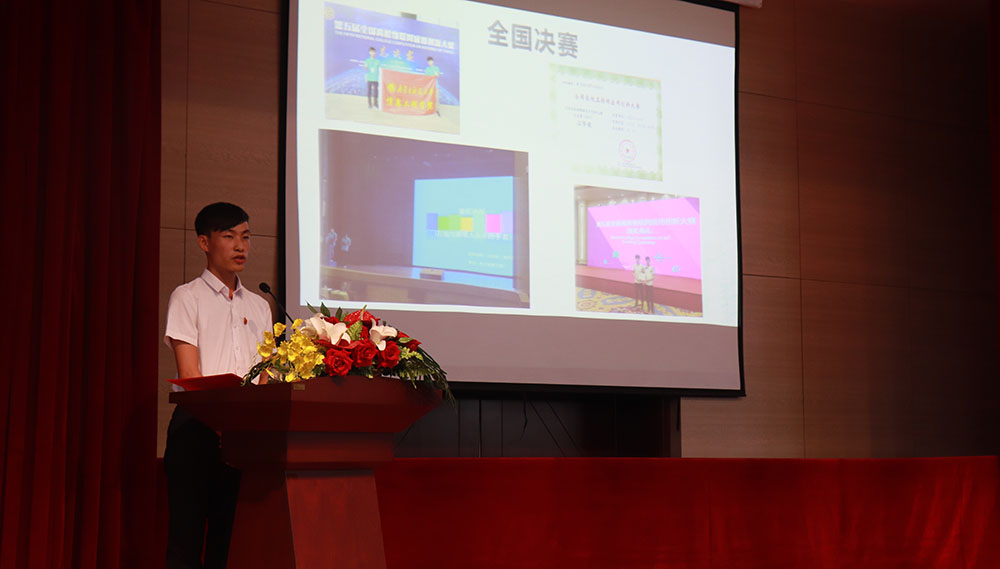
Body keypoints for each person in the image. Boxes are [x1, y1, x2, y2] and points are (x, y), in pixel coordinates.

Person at [163, 202, 272, 569]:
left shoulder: (260, 305)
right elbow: (189, 373)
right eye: (229, 236)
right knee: (186, 539)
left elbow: (265, 375)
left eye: (246, 237)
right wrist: (223, 421)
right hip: (197, 429)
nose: (241, 246)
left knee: (229, 541)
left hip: (245, 434)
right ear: (204, 243)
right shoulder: (187, 297)